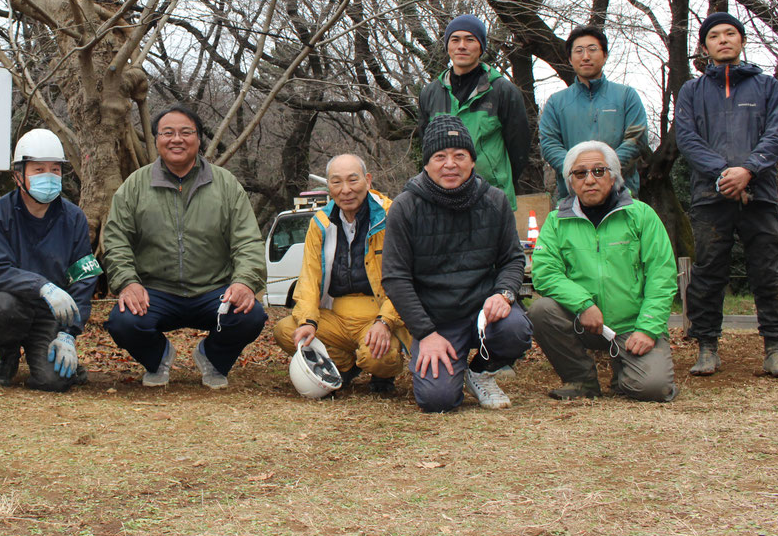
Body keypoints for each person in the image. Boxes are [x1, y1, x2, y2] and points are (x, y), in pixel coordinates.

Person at [102, 104, 267, 389]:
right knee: (123, 322)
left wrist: (244, 282)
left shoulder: (226, 184)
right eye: (167, 133)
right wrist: (127, 282)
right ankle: (158, 359)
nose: (176, 139)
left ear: (199, 139)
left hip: (213, 291)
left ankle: (213, 358)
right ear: (156, 140)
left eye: (185, 132)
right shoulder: (135, 186)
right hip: (155, 291)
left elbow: (247, 240)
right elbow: (116, 240)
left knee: (250, 316)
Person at [676, 12, 778, 378]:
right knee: (709, 271)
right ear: (705, 45)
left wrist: (748, 170)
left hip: (759, 194)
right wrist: (724, 174)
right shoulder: (692, 91)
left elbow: (775, 135)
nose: (724, 39)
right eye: (715, 35)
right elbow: (687, 139)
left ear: (742, 41)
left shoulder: (767, 86)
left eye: (731, 33)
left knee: (769, 271)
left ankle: (775, 349)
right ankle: (707, 347)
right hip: (710, 198)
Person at [382, 115, 532, 411]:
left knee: (517, 329)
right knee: (437, 401)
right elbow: (395, 278)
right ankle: (448, 366)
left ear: (472, 161)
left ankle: (481, 372)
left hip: (483, 311)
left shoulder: (495, 201)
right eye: (440, 156)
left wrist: (505, 294)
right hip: (435, 320)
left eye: (459, 156)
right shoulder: (405, 207)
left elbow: (513, 258)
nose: (450, 164)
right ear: (426, 164)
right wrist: (425, 334)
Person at [529, 141, 677, 401]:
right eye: (580, 173)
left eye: (599, 171)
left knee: (651, 389)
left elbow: (661, 276)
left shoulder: (642, 216)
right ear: (570, 182)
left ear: (614, 176)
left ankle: (625, 368)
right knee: (541, 311)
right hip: (583, 321)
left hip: (633, 325)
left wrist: (648, 327)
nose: (590, 179)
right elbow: (545, 273)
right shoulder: (555, 222)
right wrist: (583, 304)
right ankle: (581, 381)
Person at [0, 129, 100, 392]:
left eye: (55, 170)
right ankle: (7, 358)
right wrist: (42, 286)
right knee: (3, 307)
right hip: (8, 304)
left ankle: (53, 356)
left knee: (53, 381)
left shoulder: (74, 217)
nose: (49, 177)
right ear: (19, 175)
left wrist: (69, 333)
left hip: (51, 312)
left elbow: (84, 276)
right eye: (39, 169)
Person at [272, 154, 407, 394]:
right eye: (336, 182)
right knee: (286, 330)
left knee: (377, 355)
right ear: (328, 186)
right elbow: (309, 280)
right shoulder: (321, 223)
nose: (345, 190)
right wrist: (308, 321)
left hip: (377, 313)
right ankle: (345, 366)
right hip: (336, 315)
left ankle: (381, 374)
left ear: (367, 180)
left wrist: (385, 321)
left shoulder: (392, 215)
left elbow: (405, 278)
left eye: (353, 180)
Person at [414, 14, 530, 209]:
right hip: (443, 198)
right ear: (448, 46)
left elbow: (519, 149)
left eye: (470, 39)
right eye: (455, 39)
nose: (462, 46)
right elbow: (426, 148)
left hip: (493, 199)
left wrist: (498, 178)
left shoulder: (503, 91)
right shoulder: (430, 93)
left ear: (481, 46)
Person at [539, 25, 649, 201]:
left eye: (592, 49)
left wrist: (605, 172)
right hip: (572, 197)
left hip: (621, 194)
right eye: (579, 51)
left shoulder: (626, 96)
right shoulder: (556, 102)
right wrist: (578, 173)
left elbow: (636, 139)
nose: (586, 57)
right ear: (570, 58)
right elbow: (549, 145)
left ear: (605, 55)